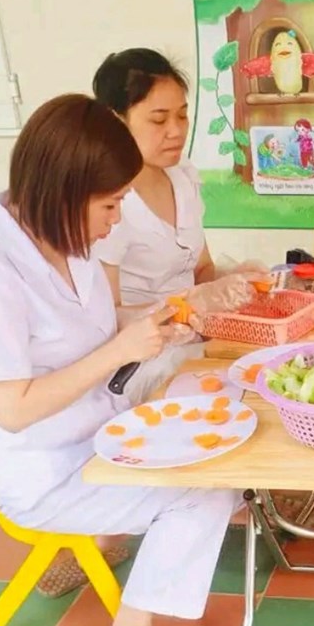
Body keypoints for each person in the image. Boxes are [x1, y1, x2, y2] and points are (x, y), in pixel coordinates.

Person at [0, 94, 240, 626]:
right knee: (207, 493)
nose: (117, 219)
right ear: (65, 192)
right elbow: (11, 409)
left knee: (216, 421)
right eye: (110, 204)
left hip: (98, 431)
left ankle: (113, 540)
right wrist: (121, 348)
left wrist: (160, 323)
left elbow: (92, 328)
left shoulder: (64, 243)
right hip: (46, 471)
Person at [91, 49, 258, 404]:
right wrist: (182, 307)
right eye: (159, 120)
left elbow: (201, 269)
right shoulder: (107, 203)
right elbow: (105, 319)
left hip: (197, 345)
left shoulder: (182, 177)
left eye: (182, 115)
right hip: (143, 364)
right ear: (116, 121)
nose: (176, 131)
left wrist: (237, 281)